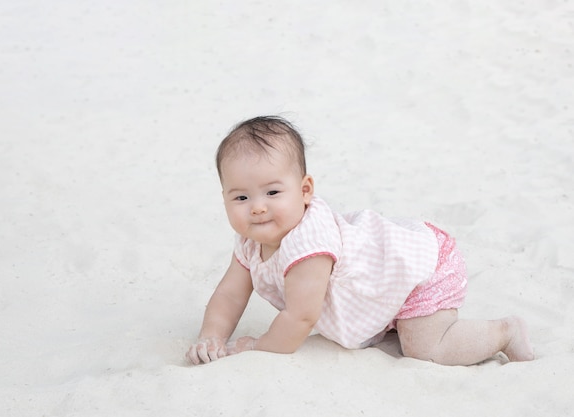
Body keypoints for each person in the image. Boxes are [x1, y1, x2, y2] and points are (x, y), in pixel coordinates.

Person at [186, 116, 534, 366]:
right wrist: (211, 336)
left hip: (423, 272)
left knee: (427, 349)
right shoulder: (250, 242)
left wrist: (260, 346)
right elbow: (230, 293)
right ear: (224, 198)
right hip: (385, 277)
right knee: (403, 336)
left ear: (305, 190)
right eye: (241, 198)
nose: (258, 208)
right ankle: (390, 318)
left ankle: (503, 332)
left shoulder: (308, 246)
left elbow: (300, 317)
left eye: (273, 192)